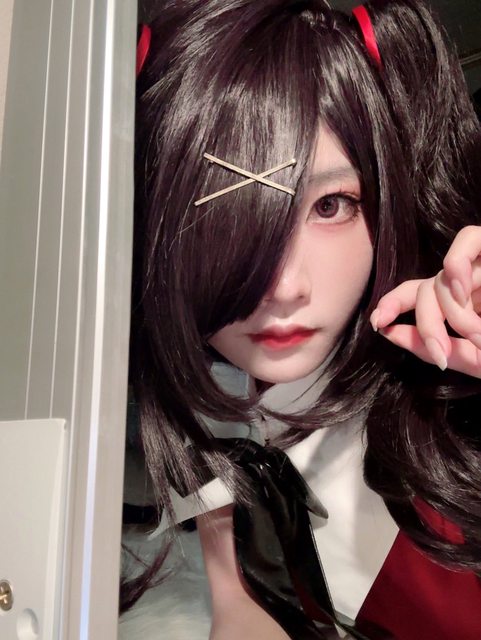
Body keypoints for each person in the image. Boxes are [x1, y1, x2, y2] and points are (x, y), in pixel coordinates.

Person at [121, 1, 481, 638]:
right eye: (218, 217)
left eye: (331, 205)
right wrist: (236, 601)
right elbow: (216, 480)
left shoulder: (446, 381)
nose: (284, 287)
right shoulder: (205, 369)